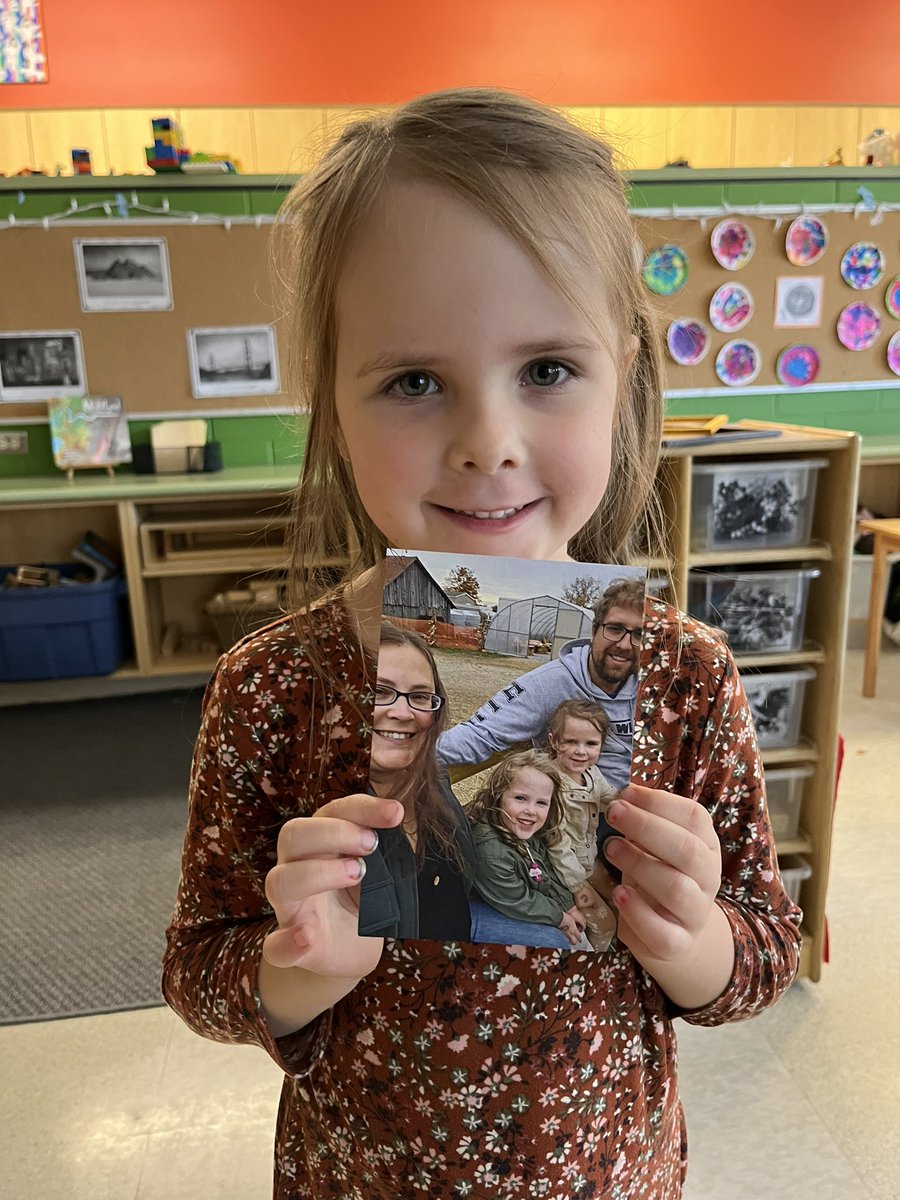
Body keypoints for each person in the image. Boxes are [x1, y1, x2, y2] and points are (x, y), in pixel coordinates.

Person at [162, 88, 801, 1199]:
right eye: (415, 382)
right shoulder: (273, 684)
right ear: (334, 401)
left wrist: (691, 942)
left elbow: (763, 957)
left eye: (547, 370)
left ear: (626, 375)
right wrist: (288, 969)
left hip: (609, 1174)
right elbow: (197, 967)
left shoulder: (687, 673)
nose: (487, 445)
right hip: (355, 1178)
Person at [438, 576, 645, 790]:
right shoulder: (549, 683)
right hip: (582, 811)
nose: (624, 644)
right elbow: (480, 733)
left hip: (644, 807)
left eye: (639, 634)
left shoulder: (654, 687)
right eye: (615, 629)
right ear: (594, 631)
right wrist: (408, 748)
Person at [358, 621, 475, 940]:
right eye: (380, 691)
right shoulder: (334, 821)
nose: (403, 711)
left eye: (420, 696)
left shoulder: (434, 781)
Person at [466, 749, 590, 949]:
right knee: (554, 942)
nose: (531, 811)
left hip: (501, 898)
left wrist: (568, 905)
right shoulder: (490, 851)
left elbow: (545, 870)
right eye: (520, 798)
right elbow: (516, 899)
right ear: (498, 796)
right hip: (465, 909)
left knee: (577, 937)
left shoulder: (521, 829)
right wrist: (560, 918)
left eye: (541, 802)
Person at [545, 698, 619, 950]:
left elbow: (608, 797)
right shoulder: (551, 785)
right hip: (565, 870)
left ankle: (621, 951)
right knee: (604, 923)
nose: (581, 751)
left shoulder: (591, 774)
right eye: (571, 742)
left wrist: (625, 805)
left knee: (619, 898)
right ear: (554, 741)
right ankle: (596, 960)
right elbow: (556, 843)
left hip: (588, 858)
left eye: (590, 744)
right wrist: (576, 886)